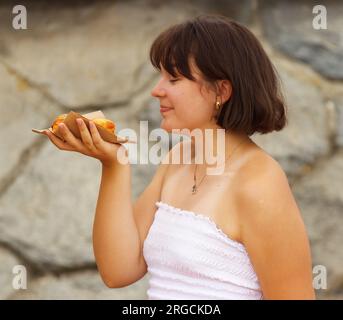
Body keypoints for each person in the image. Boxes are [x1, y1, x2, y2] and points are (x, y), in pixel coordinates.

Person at [43, 14, 315, 300]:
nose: (156, 90)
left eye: (173, 78)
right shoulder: (178, 160)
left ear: (221, 91)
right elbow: (118, 270)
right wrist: (114, 164)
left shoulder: (260, 182)